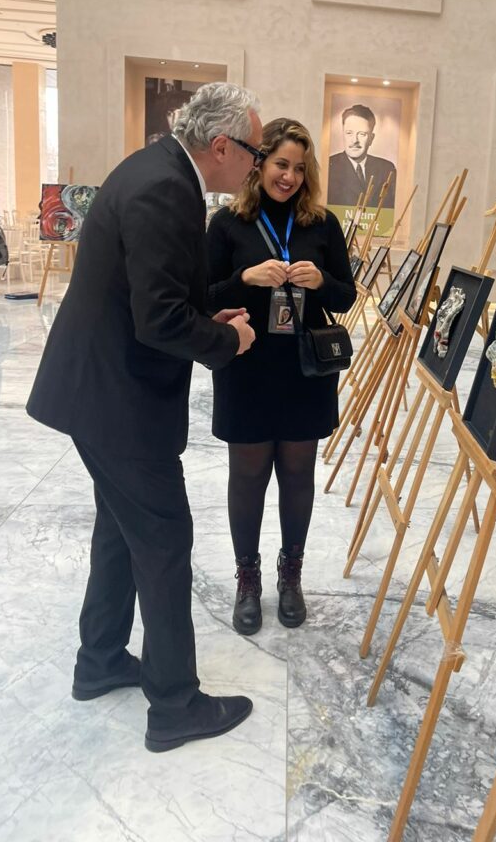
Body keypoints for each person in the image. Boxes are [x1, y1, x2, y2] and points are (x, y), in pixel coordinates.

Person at [26, 82, 263, 753]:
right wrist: (228, 340)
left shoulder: (159, 170)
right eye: (255, 152)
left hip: (101, 393)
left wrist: (207, 315)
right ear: (222, 147)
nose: (256, 165)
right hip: (117, 400)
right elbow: (158, 319)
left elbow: (153, 293)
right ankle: (175, 704)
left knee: (120, 530)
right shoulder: (165, 187)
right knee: (162, 540)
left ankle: (100, 659)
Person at [206, 118, 356, 636]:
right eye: (280, 164)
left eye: (299, 167)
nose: (289, 176)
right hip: (246, 367)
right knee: (247, 476)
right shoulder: (228, 224)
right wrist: (244, 277)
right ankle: (247, 579)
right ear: (259, 163)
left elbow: (346, 296)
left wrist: (322, 280)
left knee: (297, 474)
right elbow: (202, 296)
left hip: (304, 371)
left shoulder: (322, 224)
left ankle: (290, 575)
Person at [327, 104, 396, 209]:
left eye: (362, 134)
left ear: (371, 138)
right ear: (343, 134)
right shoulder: (329, 167)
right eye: (349, 133)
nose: (355, 140)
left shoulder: (386, 169)